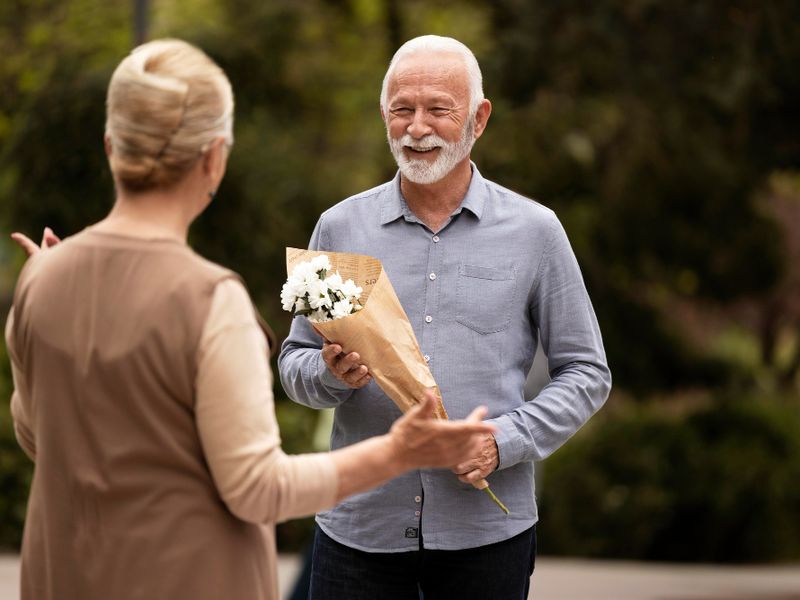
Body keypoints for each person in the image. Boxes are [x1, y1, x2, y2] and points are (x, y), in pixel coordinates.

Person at [4, 38, 497, 600]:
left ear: (112, 145)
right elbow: (259, 489)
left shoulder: (40, 280)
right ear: (215, 155)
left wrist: (46, 288)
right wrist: (399, 451)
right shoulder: (212, 301)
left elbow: (37, 435)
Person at [278, 35, 613, 599]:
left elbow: (587, 372)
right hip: (357, 534)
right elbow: (293, 365)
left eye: (438, 110)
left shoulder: (536, 232)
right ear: (383, 115)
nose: (417, 127)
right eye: (402, 110)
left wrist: (503, 440)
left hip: (486, 539)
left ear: (478, 119)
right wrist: (329, 374)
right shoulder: (338, 229)